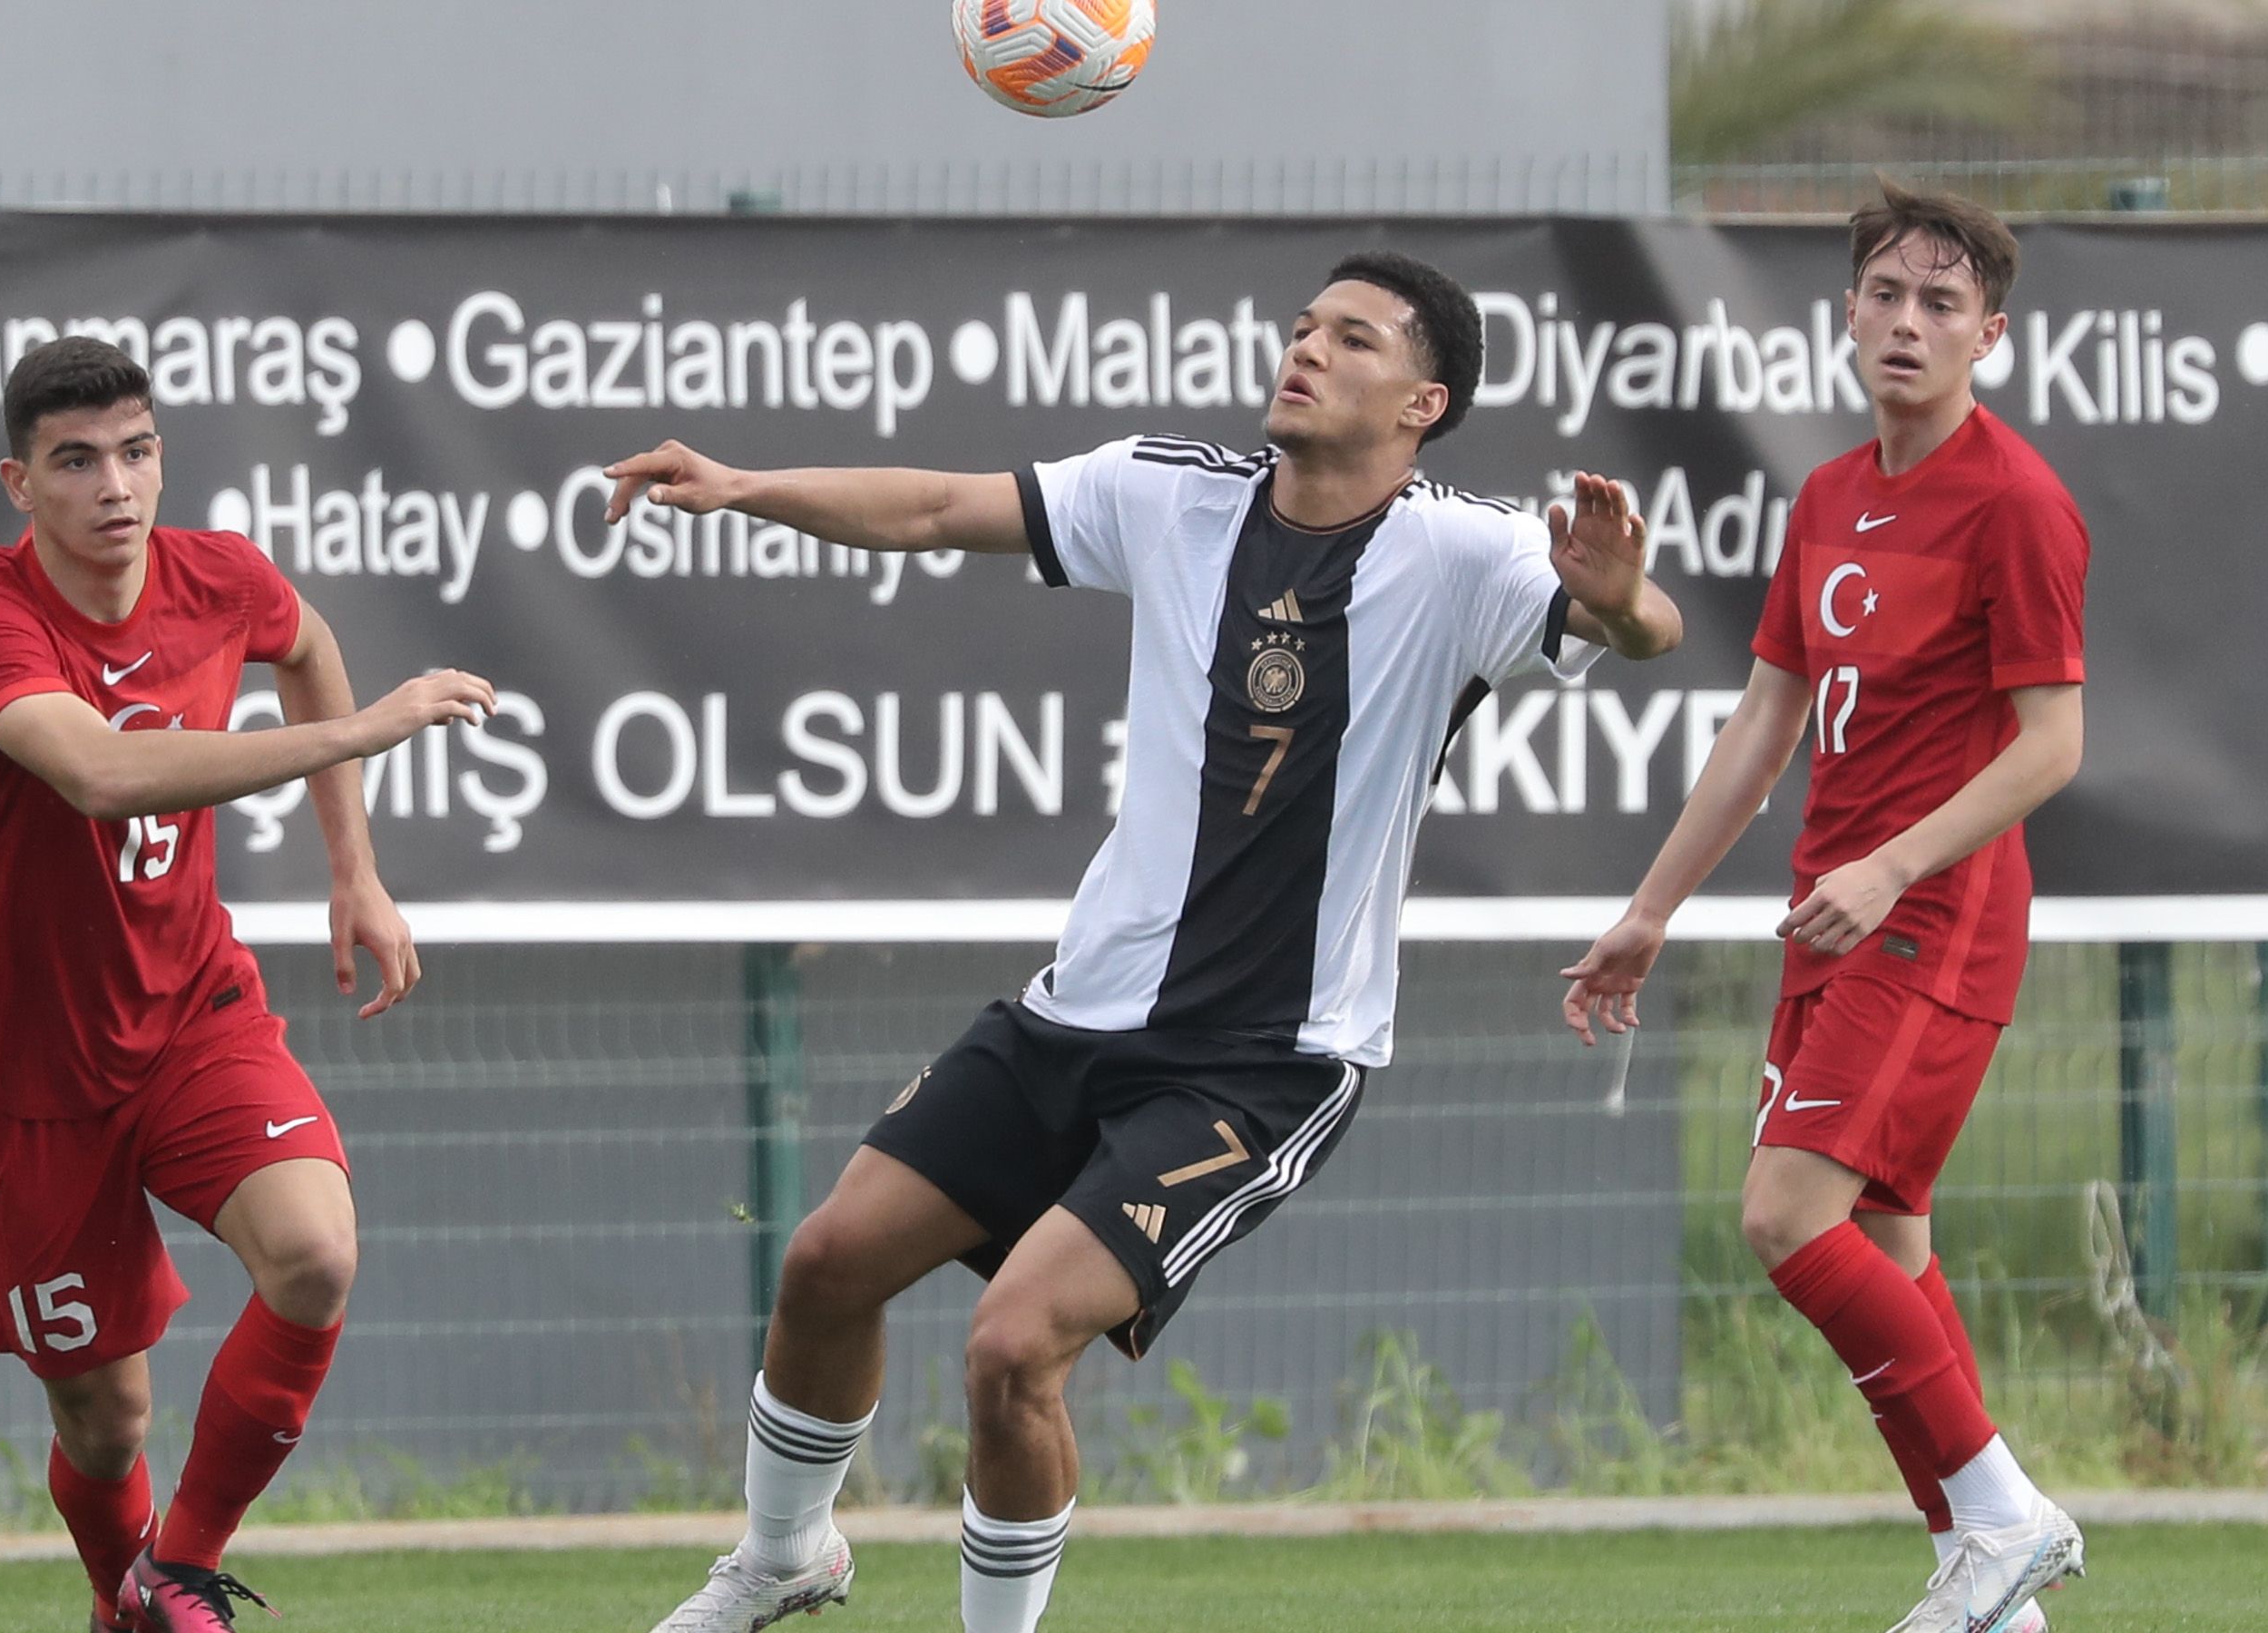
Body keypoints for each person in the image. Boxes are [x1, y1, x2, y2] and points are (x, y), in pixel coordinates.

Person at [604, 250, 1683, 1633]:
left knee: (1012, 1347)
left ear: (1425, 403)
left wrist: (1623, 598)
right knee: (825, 1263)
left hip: (1263, 1066)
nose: (1307, 349)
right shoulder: (1174, 494)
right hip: (1074, 1016)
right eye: (1304, 326)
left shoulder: (1464, 555)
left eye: (1353, 340)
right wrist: (746, 486)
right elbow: (934, 507)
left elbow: (1639, 627)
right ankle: (782, 1558)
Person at [1560, 182, 2090, 1633]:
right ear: (1848, 313)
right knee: (1894, 1253)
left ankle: (2004, 1516)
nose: (1909, 322)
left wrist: (1895, 863)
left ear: (1990, 333)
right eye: (1887, 295)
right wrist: (1651, 910)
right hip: (1834, 919)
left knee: (1787, 1218)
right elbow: (1762, 724)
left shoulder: (2019, 501)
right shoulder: (1831, 496)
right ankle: (1995, 1590)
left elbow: (2053, 744)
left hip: (1932, 918)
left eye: (1942, 302)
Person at [0, 337, 495, 1632]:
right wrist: (362, 732)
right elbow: (101, 773)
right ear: (20, 484)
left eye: (135, 451)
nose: (114, 486)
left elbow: (309, 642)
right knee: (105, 1420)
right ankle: (121, 1596)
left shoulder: (219, 577)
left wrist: (355, 869)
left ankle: (178, 1573)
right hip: (25, 1072)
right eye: (76, 461)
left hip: (193, 1016)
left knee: (316, 1254)